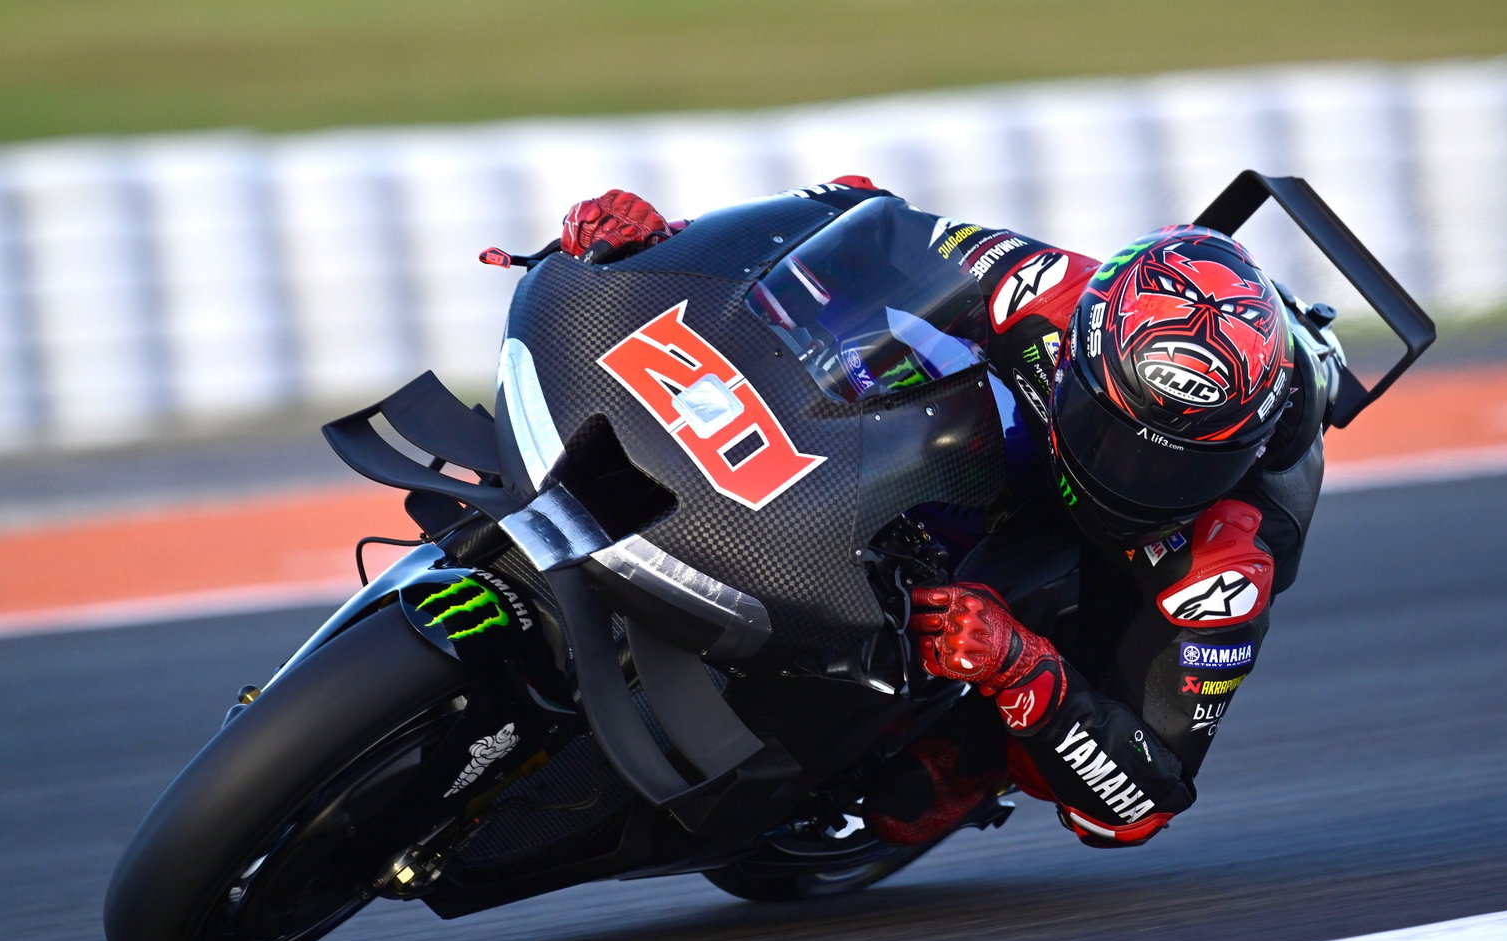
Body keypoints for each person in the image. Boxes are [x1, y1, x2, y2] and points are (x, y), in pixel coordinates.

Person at [556, 178, 1327, 849]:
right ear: (1083, 358)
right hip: (1018, 444)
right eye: (1119, 439)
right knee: (876, 351)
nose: (1135, 478)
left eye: (1177, 464)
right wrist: (667, 243)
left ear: (1242, 452)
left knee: (913, 799)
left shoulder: (1231, 563)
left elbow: (1140, 804)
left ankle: (978, 754)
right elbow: (857, 221)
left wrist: (1022, 666)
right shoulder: (1045, 292)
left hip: (1123, 570)